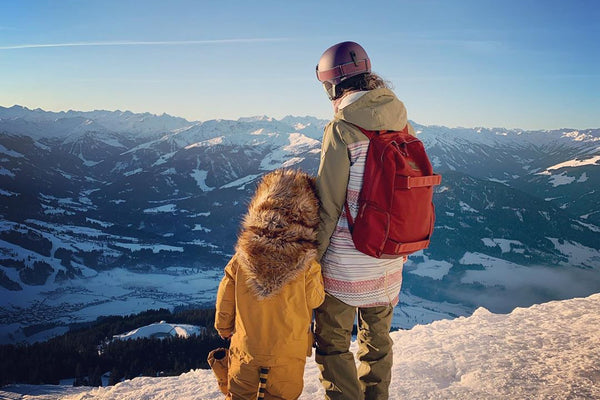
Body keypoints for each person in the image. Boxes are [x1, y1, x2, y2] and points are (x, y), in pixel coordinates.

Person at [314, 41, 415, 400]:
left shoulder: (341, 128)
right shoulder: (402, 123)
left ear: (334, 86)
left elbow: (328, 204)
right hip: (390, 255)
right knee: (377, 341)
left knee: (333, 344)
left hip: (347, 262)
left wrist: (311, 260)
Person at [215, 168, 325, 400]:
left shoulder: (242, 256)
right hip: (288, 352)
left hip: (247, 348)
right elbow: (316, 299)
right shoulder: (307, 263)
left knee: (240, 396)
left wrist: (224, 326)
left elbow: (226, 293)